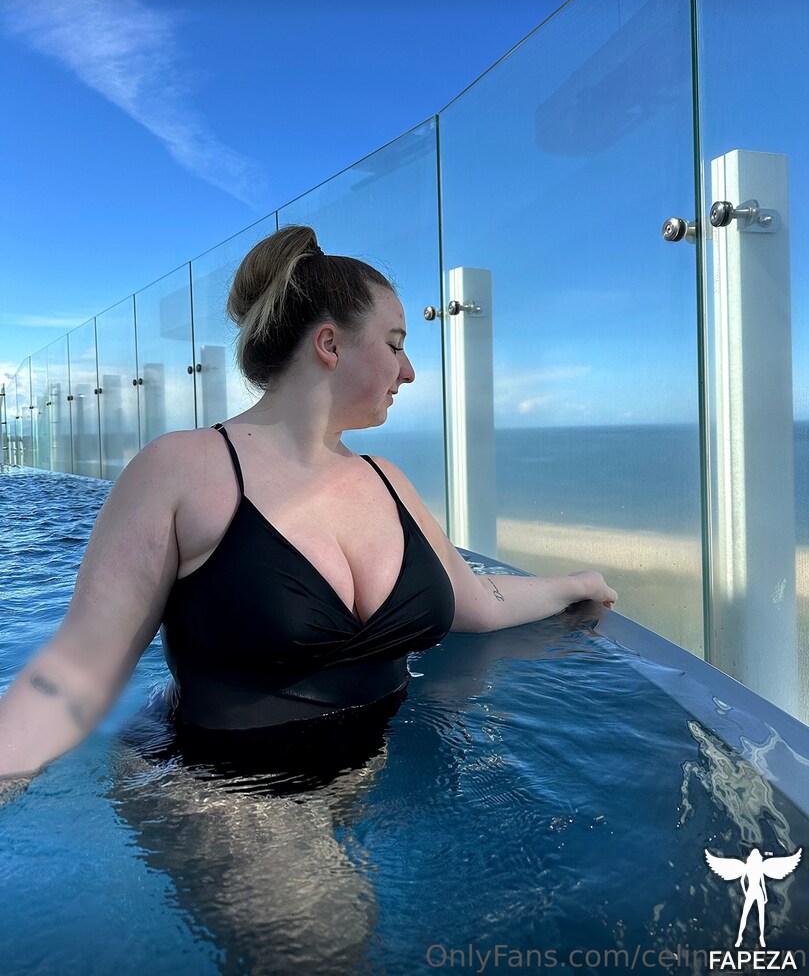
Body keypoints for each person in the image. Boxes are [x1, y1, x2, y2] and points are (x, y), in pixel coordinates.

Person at [0, 224, 617, 790]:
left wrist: (575, 585)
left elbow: (475, 601)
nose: (408, 372)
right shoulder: (181, 469)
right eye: (395, 345)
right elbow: (79, 669)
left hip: (371, 774)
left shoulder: (387, 481)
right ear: (329, 343)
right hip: (218, 791)